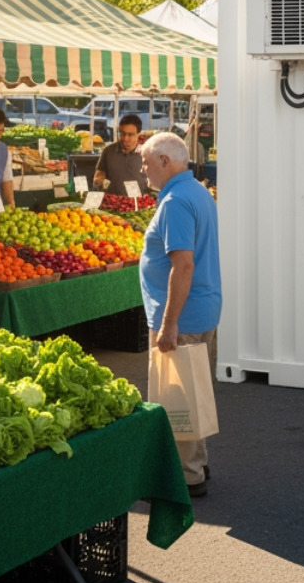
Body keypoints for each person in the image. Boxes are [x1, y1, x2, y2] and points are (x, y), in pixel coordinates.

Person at [141, 132, 222, 497]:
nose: (143, 171)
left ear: (164, 161)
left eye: (146, 162)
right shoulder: (199, 192)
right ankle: (198, 463)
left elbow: (183, 266)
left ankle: (186, 476)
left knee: (176, 399)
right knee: (195, 392)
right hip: (202, 309)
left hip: (182, 317)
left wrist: (169, 323)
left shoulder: (174, 202)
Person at [93, 114, 151, 198]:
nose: (125, 138)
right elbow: (100, 172)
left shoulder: (146, 153)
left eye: (130, 135)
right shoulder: (108, 151)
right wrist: (99, 181)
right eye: (122, 134)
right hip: (113, 203)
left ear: (138, 134)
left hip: (140, 204)